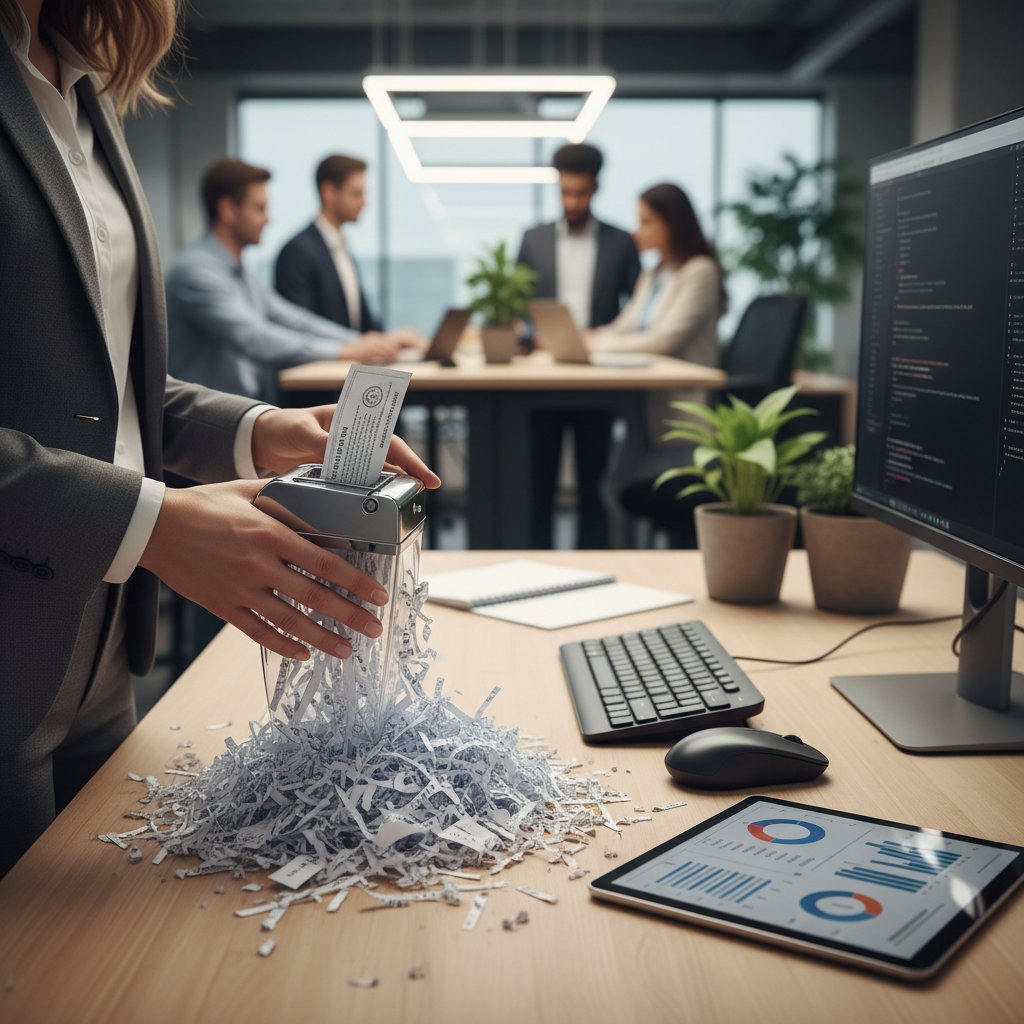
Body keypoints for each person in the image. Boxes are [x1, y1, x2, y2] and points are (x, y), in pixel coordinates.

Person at [0, 0, 440, 878]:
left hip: (103, 638)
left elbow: (102, 387)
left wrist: (262, 428)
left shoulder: (78, 80)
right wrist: (151, 523)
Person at [166, 158, 422, 405]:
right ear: (228, 209)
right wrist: (344, 350)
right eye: (259, 209)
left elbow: (295, 319)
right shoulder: (196, 272)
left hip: (237, 410)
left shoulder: (240, 273)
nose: (269, 219)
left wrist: (357, 343)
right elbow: (254, 337)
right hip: (205, 423)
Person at [515, 143, 641, 548]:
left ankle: (595, 571)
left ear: (596, 188)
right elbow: (517, 304)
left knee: (593, 484)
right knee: (537, 484)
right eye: (566, 192)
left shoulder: (622, 243)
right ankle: (534, 569)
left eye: (580, 193)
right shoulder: (532, 240)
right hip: (542, 375)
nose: (572, 201)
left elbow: (637, 312)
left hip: (594, 377)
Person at [586, 182, 726, 533]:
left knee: (618, 487)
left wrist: (595, 348)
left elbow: (664, 339)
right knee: (612, 486)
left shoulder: (699, 271)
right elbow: (626, 325)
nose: (638, 231)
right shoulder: (653, 273)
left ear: (673, 223)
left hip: (681, 410)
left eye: (647, 221)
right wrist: (588, 338)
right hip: (646, 407)